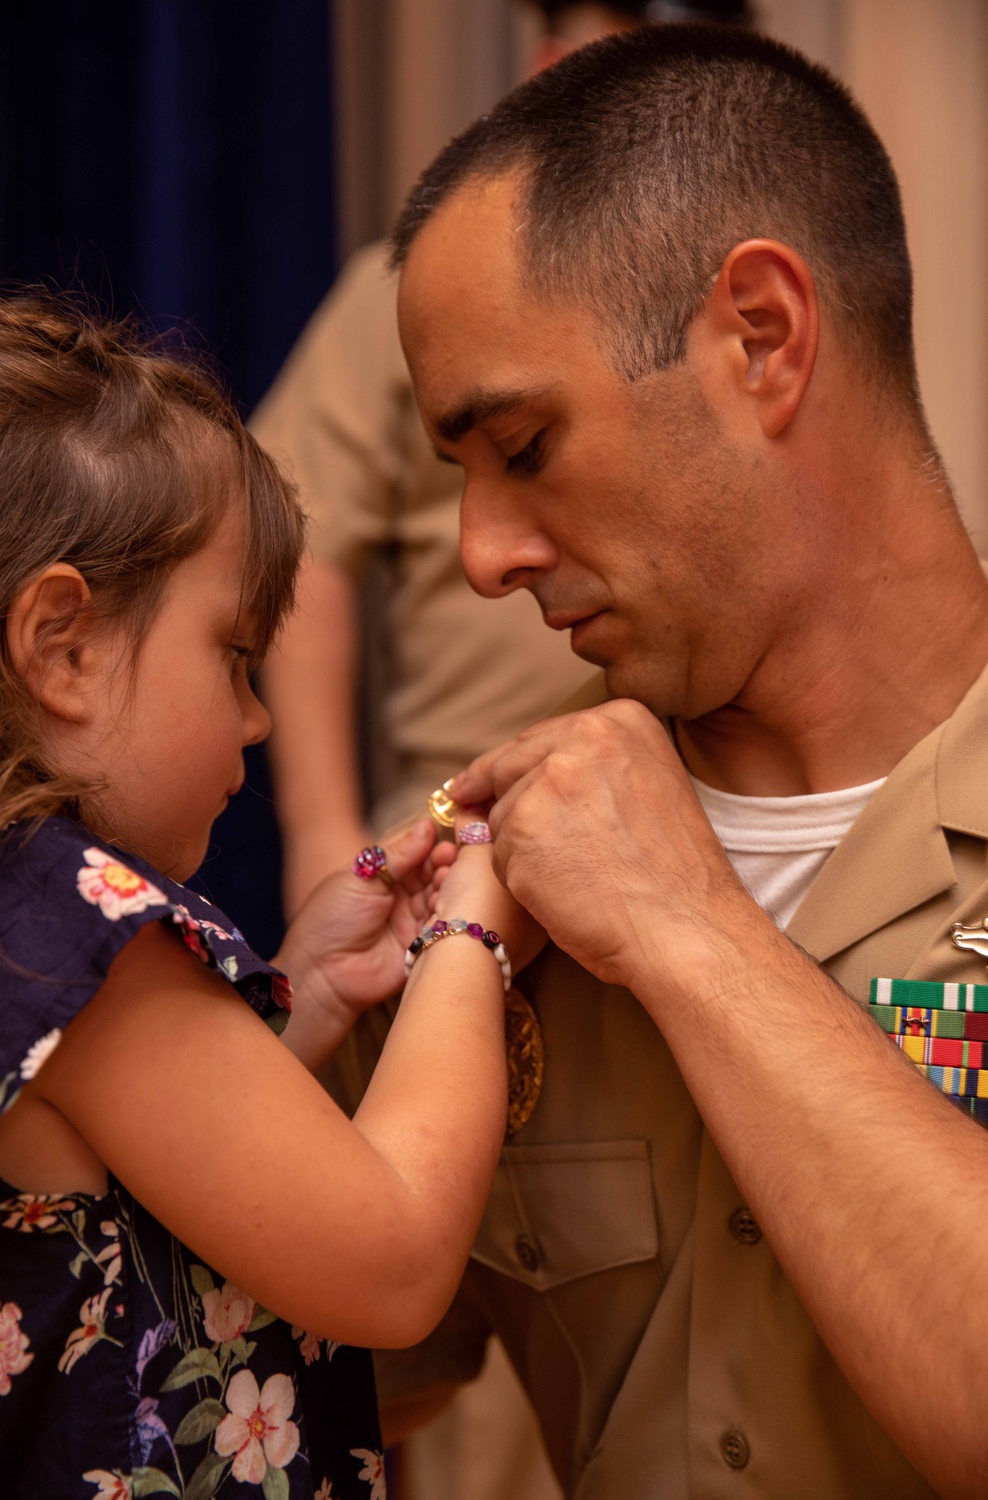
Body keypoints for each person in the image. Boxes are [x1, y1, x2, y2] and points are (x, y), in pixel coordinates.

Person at [332, 24, 988, 1500]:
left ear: (761, 336)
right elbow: (220, 1399)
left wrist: (685, 927)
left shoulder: (608, 881)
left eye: (524, 446)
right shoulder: (492, 900)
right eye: (457, 478)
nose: (482, 557)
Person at [0, 290, 532, 1498]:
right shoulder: (75, 931)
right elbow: (388, 1260)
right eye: (233, 654)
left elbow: (154, 1220)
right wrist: (468, 928)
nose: (259, 716)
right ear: (62, 645)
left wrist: (310, 1004)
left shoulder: (16, 920)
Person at [253, 0, 750, 914]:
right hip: (454, 838)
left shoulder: (756, 306)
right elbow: (301, 535)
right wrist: (323, 833)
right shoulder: (421, 297)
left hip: (688, 836)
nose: (490, 556)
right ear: (547, 71)